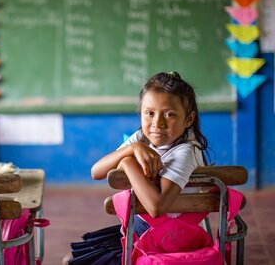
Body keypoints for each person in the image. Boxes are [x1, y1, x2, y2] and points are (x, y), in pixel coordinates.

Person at [65, 72, 209, 264]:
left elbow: (157, 207)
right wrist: (132, 148)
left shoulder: (185, 152)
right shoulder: (142, 138)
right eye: (149, 113)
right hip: (143, 229)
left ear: (189, 119)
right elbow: (96, 172)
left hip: (166, 239)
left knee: (70, 262)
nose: (158, 123)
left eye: (170, 114)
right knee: (71, 258)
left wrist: (127, 162)